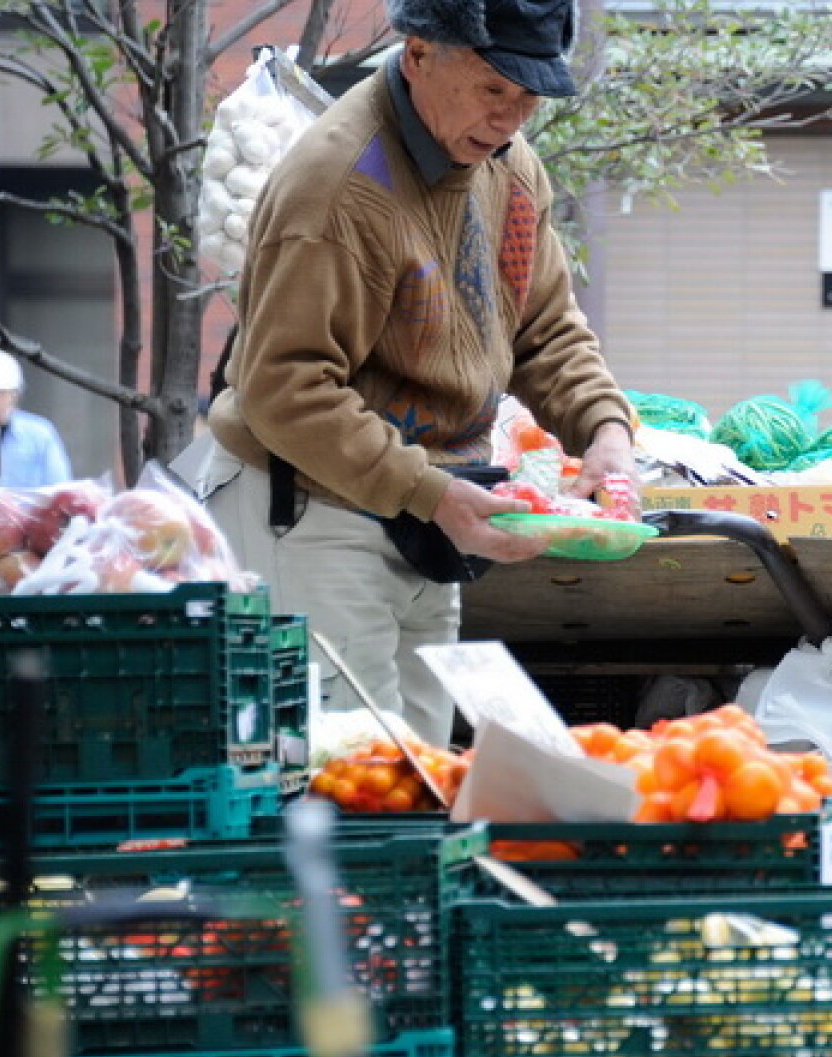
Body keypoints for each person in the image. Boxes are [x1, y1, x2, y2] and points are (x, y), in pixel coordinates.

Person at [201, 0, 638, 747]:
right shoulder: (336, 184)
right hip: (308, 508)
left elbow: (546, 327)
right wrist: (431, 494)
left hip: (429, 510)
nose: (509, 119)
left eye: (529, 99)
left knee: (422, 771)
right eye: (494, 89)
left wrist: (604, 428)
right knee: (344, 776)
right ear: (418, 55)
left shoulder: (509, 169)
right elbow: (284, 387)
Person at [0, 348, 73, 488]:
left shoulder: (40, 434)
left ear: (14, 395)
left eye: (1, 394)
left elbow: (61, 487)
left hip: (30, 510)